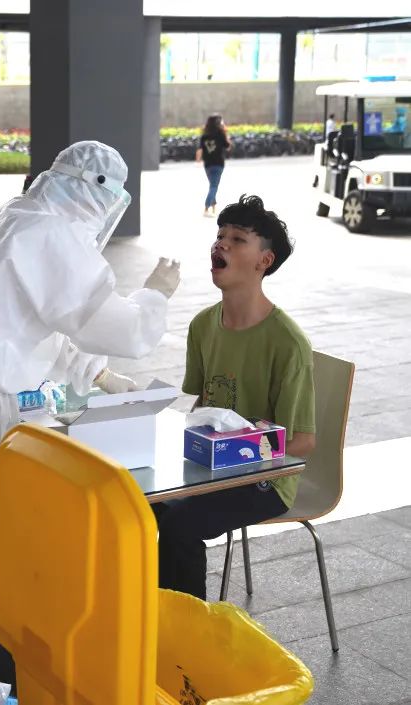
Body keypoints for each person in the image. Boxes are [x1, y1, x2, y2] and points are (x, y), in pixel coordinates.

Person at [0, 141, 181, 705]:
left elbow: (30, 321)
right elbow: (119, 328)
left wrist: (98, 375)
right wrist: (154, 297)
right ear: (99, 197)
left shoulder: (9, 218)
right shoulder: (52, 236)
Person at [154, 194, 316, 601]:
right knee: (135, 505)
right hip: (210, 468)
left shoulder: (288, 343)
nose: (221, 243)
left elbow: (302, 442)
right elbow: (203, 406)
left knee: (179, 526)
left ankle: (187, 630)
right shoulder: (202, 325)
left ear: (265, 260)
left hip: (266, 480)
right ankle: (146, 614)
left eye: (238, 239)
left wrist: (238, 452)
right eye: (220, 235)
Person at [195, 114, 232, 218]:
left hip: (208, 164)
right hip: (218, 163)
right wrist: (225, 133)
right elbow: (228, 146)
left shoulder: (204, 136)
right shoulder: (220, 134)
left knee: (212, 185)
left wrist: (198, 160)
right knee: (214, 186)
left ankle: (214, 207)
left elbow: (200, 149)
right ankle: (206, 208)